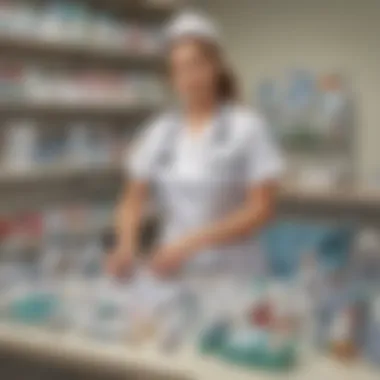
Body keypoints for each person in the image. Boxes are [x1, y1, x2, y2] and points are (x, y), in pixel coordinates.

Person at [107, 11, 284, 279]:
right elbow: (132, 200)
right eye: (178, 69)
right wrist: (126, 245)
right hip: (173, 265)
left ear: (215, 67)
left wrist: (191, 243)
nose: (188, 77)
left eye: (195, 65)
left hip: (234, 269)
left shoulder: (247, 128)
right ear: (171, 78)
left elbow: (262, 209)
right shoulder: (160, 132)